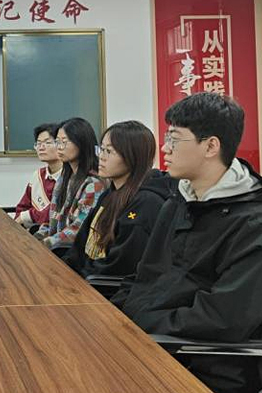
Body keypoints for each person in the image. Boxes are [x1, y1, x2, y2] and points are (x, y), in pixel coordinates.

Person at [113, 93, 262, 393]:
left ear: (211, 146)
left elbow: (222, 319)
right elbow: (145, 277)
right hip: (151, 348)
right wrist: (114, 316)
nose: (165, 149)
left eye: (174, 139)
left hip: (202, 373)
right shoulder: (178, 203)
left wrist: (136, 323)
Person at [65, 120, 168, 278]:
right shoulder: (109, 194)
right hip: (87, 278)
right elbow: (80, 247)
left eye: (109, 151)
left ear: (132, 156)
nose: (101, 157)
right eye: (101, 149)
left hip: (102, 286)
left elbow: (119, 266)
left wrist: (80, 277)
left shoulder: (146, 202)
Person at [36, 117, 106, 249]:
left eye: (64, 142)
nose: (59, 147)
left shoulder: (93, 184)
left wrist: (46, 243)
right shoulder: (64, 178)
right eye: (57, 142)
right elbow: (52, 219)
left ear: (81, 143)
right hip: (56, 248)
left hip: (73, 253)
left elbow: (78, 229)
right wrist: (37, 237)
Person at [14, 122, 62, 228]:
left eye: (47, 143)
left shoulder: (70, 177)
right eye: (38, 143)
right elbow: (21, 209)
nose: (41, 147)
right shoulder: (37, 175)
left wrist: (28, 216)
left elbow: (55, 212)